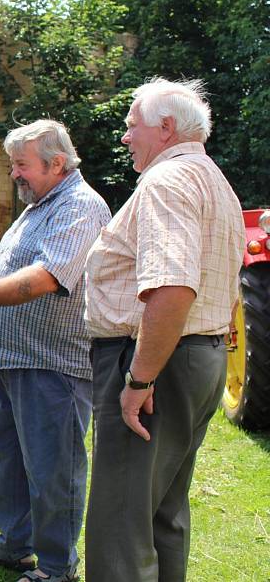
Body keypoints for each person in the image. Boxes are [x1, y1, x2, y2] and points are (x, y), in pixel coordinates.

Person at [0, 120, 110, 582]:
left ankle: (56, 568)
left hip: (54, 365)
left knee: (54, 470)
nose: (14, 174)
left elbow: (47, 277)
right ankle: (15, 546)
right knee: (10, 460)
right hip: (16, 359)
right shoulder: (42, 203)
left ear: (56, 163)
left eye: (21, 165)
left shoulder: (81, 206)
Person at [84, 77, 245, 581]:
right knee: (163, 514)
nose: (126, 138)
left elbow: (173, 287)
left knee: (120, 526)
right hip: (200, 359)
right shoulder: (215, 183)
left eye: (133, 127)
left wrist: (138, 380)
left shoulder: (166, 182)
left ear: (166, 128)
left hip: (157, 363)